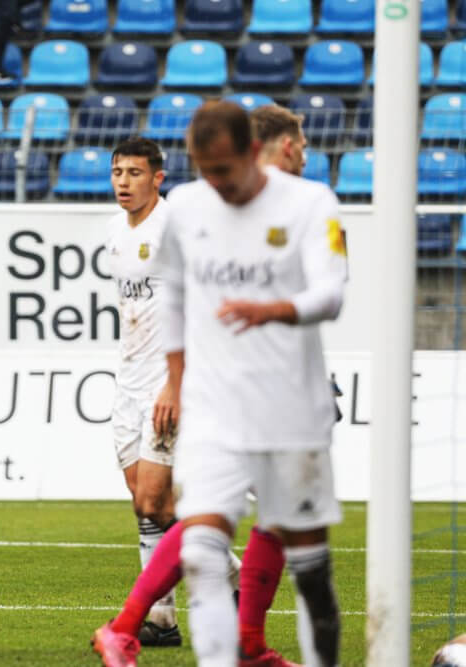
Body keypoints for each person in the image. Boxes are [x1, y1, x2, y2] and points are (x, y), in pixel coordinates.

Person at [91, 104, 336, 667]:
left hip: (245, 386)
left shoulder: (299, 207)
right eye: (294, 144)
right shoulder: (197, 214)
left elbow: (329, 292)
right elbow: (178, 303)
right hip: (189, 382)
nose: (300, 154)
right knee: (169, 506)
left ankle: (151, 625)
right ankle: (181, 627)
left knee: (191, 510)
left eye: (134, 172)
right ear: (268, 149)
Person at [165, 101, 345, 667]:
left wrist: (276, 309)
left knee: (310, 571)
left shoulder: (310, 203)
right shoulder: (185, 205)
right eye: (203, 169)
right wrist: (174, 383)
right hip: (213, 411)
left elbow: (332, 292)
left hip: (291, 413)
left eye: (224, 169)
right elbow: (171, 295)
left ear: (251, 152)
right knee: (200, 555)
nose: (214, 183)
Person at [101, 137, 182, 648]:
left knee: (154, 497)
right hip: (127, 380)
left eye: (134, 173)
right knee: (146, 505)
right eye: (116, 172)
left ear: (158, 177)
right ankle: (165, 619)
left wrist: (176, 383)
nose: (123, 182)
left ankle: (157, 614)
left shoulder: (173, 229)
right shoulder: (113, 231)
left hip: (166, 381)